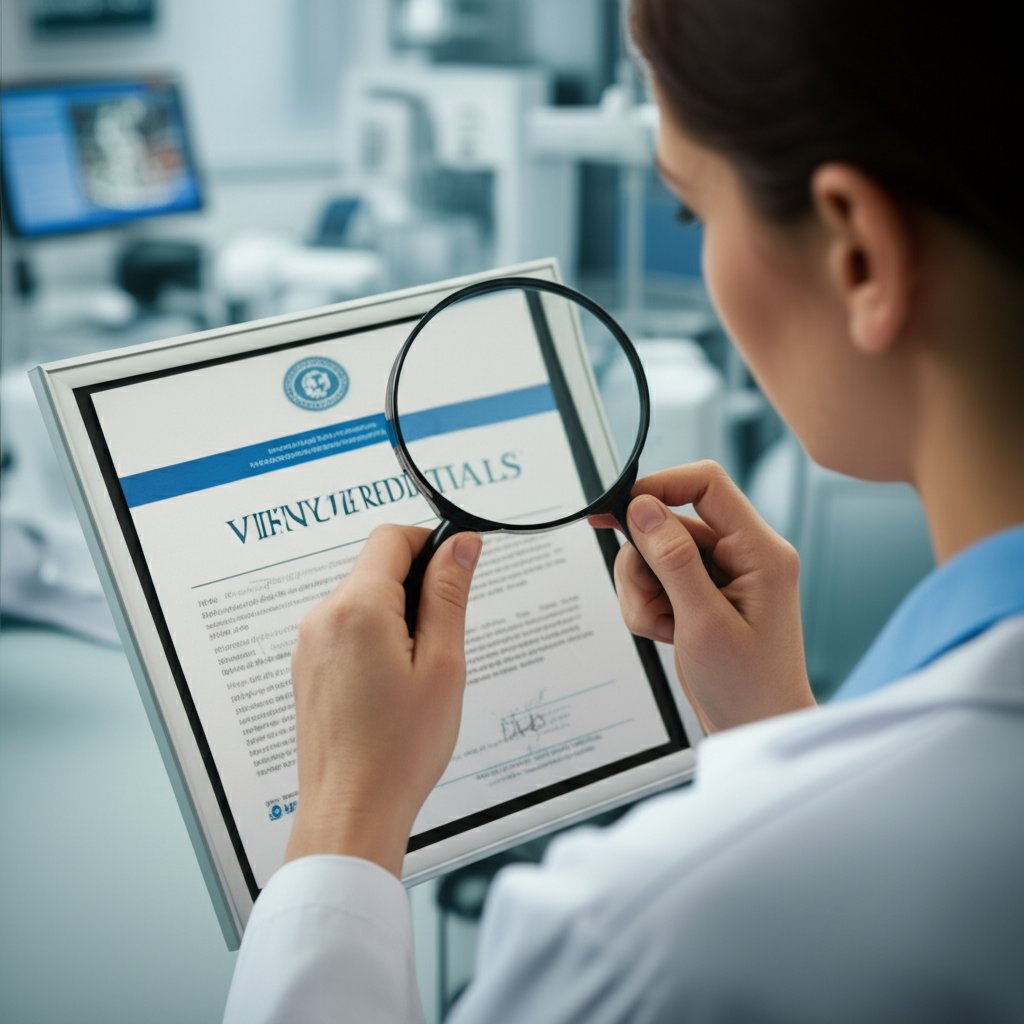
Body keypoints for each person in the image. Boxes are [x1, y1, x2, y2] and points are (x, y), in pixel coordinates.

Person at [224, 0, 1024, 1019]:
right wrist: (775, 727)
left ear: (857, 251)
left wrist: (339, 822)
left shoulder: (642, 938)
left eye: (692, 210)